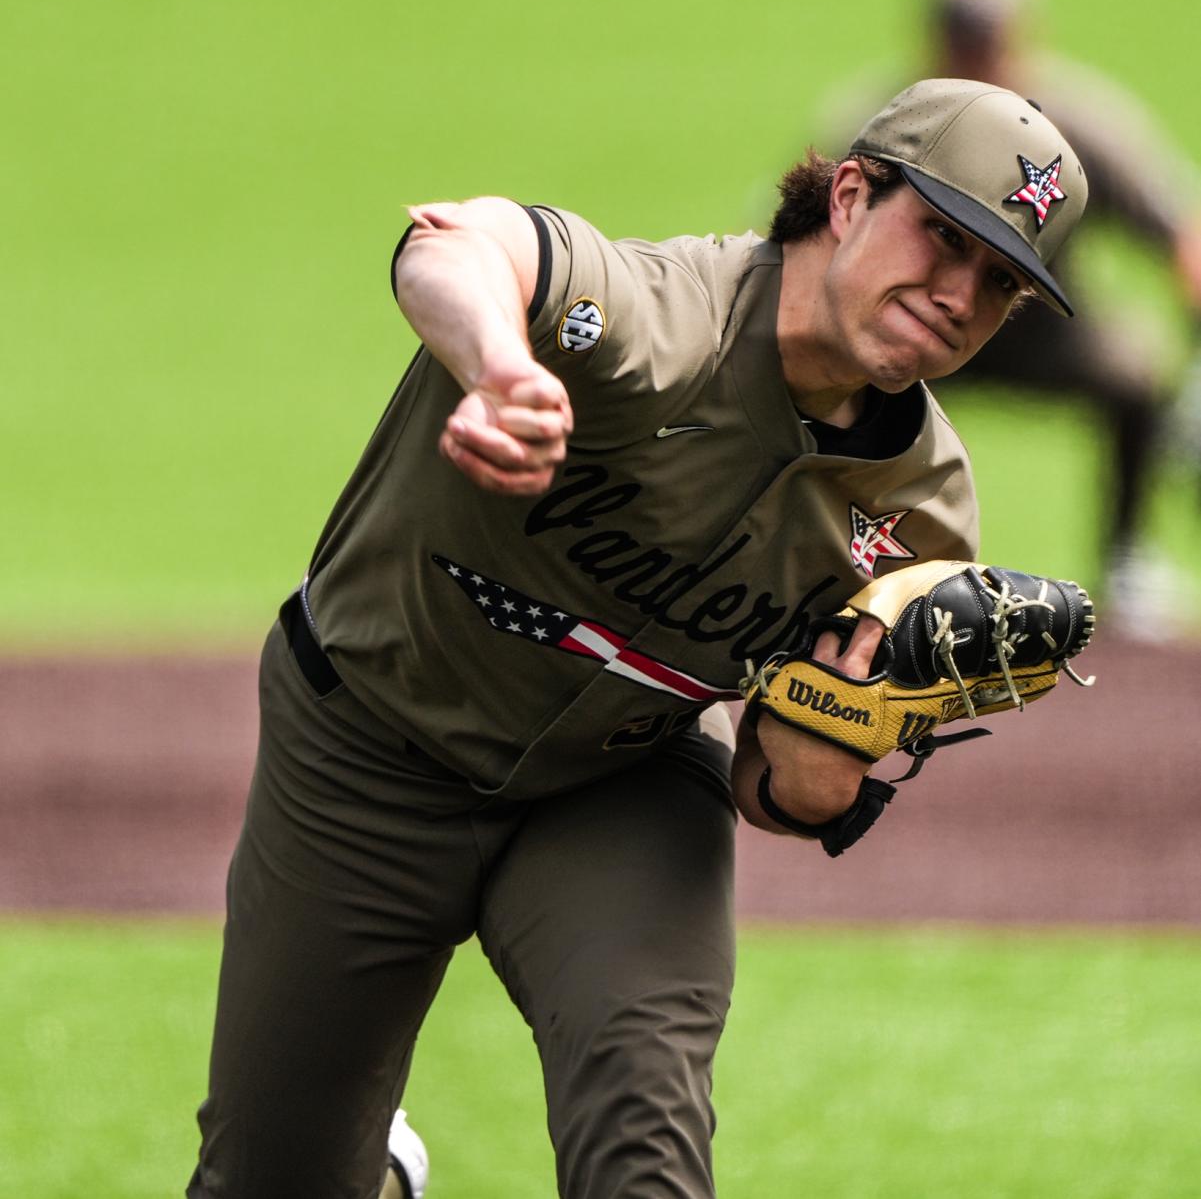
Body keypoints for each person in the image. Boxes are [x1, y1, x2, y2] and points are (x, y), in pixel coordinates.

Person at [188, 79, 1088, 1199]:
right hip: (367, 747)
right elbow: (455, 245)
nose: (959, 293)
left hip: (616, 789)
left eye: (999, 280)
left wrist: (835, 749)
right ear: (851, 196)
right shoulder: (663, 318)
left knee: (643, 1148)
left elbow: (780, 781)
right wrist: (497, 364)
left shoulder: (924, 507)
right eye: (944, 237)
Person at [819, 0, 1201, 613]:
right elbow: (813, 229)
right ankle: (836, 551)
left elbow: (1177, 229)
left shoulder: (1075, 122)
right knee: (831, 378)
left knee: (1134, 370)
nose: (978, 58)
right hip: (914, 325)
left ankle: (1126, 556)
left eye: (987, 41)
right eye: (963, 41)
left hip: (1036, 327)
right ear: (935, 41)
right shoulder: (893, 119)